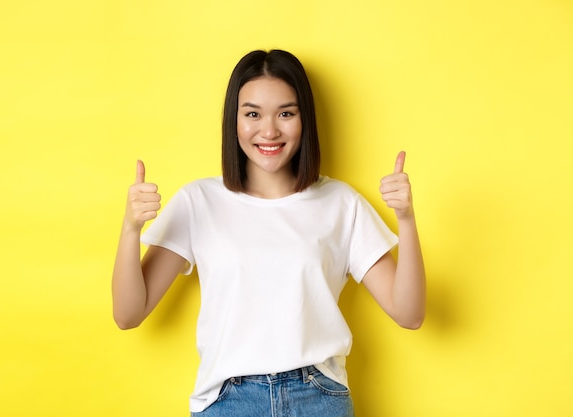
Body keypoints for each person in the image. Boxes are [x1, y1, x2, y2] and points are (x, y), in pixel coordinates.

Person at [112, 49, 426, 417]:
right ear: (235, 120)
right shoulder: (199, 201)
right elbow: (127, 314)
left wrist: (406, 219)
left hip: (317, 398)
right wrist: (131, 228)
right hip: (228, 401)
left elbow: (410, 313)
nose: (269, 130)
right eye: (253, 114)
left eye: (286, 113)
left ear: (303, 120)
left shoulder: (341, 203)